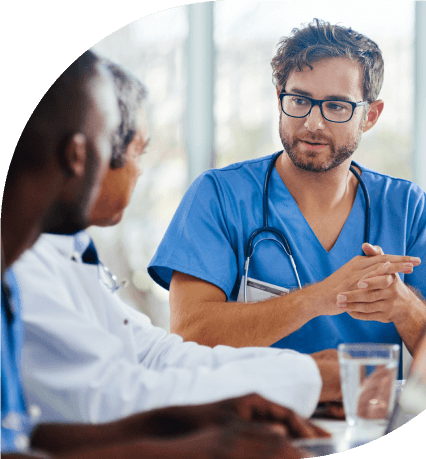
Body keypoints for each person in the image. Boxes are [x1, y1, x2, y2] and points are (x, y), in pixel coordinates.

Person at [1, 50, 323, 459]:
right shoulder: (22, 275)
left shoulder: (14, 278)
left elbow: (25, 438)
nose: (133, 168)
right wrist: (197, 448)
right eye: (118, 143)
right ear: (78, 156)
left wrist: (185, 421)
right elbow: (97, 399)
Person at [147, 19, 426, 378]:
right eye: (299, 100)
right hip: (250, 424)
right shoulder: (219, 196)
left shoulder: (405, 208)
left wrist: (406, 308)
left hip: (368, 424)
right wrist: (320, 296)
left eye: (337, 106)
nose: (313, 123)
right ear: (279, 100)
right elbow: (191, 336)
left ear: (369, 116)